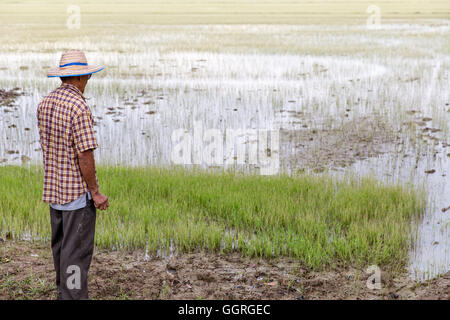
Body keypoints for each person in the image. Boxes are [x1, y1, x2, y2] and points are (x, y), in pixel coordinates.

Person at [37, 49, 109, 300]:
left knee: (60, 250)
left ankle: (64, 292)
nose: (87, 81)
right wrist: (96, 192)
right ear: (79, 78)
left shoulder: (45, 103)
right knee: (76, 255)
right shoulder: (79, 107)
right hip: (77, 197)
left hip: (55, 194)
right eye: (87, 76)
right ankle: (72, 296)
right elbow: (85, 155)